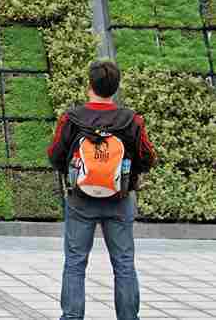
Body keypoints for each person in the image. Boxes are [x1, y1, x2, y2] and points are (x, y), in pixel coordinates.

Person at [47, 60, 156, 320]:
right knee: (124, 265)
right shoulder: (131, 120)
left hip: (80, 199)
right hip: (119, 199)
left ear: (89, 86)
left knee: (75, 264)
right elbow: (148, 157)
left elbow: (55, 155)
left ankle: (72, 317)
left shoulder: (71, 118)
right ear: (116, 88)